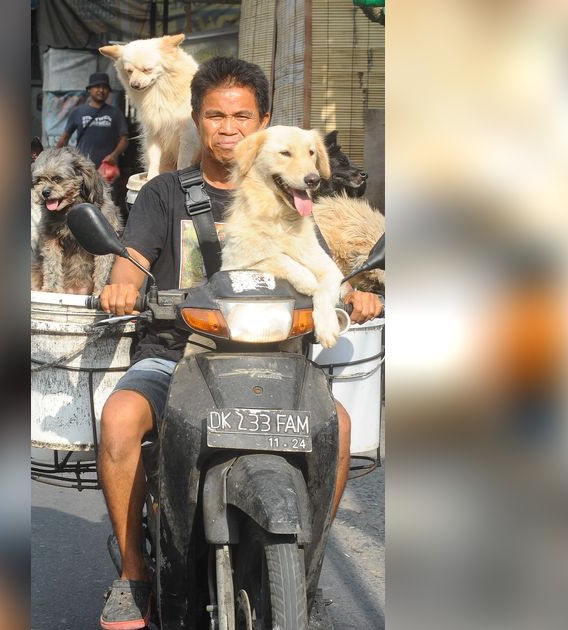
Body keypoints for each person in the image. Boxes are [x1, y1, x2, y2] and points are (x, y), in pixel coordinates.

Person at [94, 56, 384, 630]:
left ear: (264, 123)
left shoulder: (296, 199)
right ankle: (132, 576)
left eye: (242, 116)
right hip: (175, 356)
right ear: (195, 121)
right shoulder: (163, 194)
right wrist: (122, 288)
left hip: (275, 359)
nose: (229, 128)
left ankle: (306, 575)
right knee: (122, 417)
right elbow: (129, 263)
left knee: (341, 427)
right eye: (215, 116)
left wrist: (358, 293)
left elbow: (321, 266)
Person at [56, 72, 129, 174]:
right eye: (97, 86)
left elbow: (124, 139)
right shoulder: (78, 112)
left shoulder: (116, 113)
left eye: (105, 87)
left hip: (107, 169)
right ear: (89, 89)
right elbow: (64, 139)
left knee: (106, 190)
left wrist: (114, 155)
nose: (101, 90)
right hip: (82, 168)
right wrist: (56, 158)